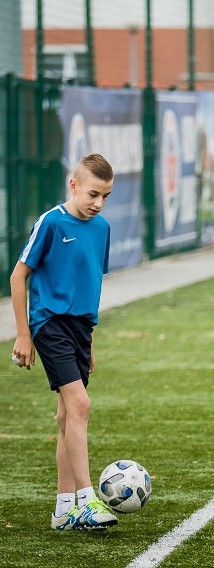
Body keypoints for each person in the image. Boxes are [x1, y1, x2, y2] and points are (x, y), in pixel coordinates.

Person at [10, 153, 119, 531]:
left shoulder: (102, 228)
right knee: (81, 405)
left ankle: (63, 509)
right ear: (73, 185)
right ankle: (87, 501)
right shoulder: (51, 222)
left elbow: (91, 284)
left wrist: (89, 338)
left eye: (105, 196)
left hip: (79, 329)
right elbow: (17, 276)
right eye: (93, 194)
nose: (98, 203)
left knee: (67, 416)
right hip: (48, 324)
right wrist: (24, 334)